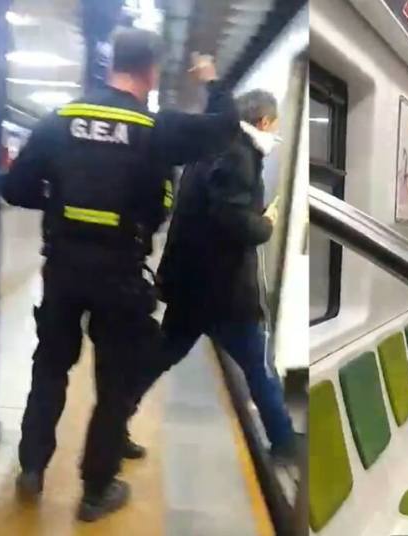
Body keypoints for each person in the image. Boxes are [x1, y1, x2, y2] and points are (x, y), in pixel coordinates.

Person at [2, 28, 239, 521]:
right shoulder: (154, 127)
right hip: (120, 274)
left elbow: (15, 188)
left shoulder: (60, 119)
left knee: (50, 367)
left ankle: (32, 467)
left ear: (111, 64)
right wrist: (211, 81)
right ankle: (95, 491)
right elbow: (224, 128)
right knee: (113, 383)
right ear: (151, 71)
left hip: (63, 268)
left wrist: (61, 204)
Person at [126, 89, 298, 462]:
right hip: (224, 290)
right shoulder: (239, 155)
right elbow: (233, 221)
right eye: (274, 125)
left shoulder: (210, 150)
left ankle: (114, 419)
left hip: (192, 284)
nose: (275, 132)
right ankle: (285, 442)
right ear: (263, 121)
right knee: (258, 366)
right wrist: (266, 223)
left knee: (161, 355)